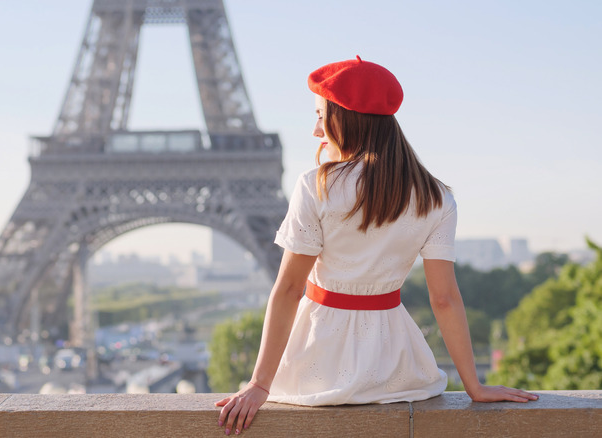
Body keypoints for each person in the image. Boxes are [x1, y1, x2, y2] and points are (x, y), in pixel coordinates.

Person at [215, 56, 538, 435]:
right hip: (395, 363)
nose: (316, 130)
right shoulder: (437, 198)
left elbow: (288, 289)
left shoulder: (316, 186)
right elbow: (445, 299)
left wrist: (259, 384)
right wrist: (475, 386)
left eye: (321, 115)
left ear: (345, 118)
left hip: (317, 355)